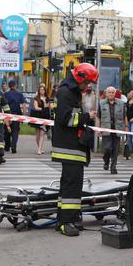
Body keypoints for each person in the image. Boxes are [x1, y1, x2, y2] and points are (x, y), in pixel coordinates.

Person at [52, 63, 99, 237]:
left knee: (69, 186)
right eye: (87, 82)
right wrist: (87, 116)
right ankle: (66, 222)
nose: (88, 86)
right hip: (69, 148)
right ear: (79, 77)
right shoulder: (66, 92)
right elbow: (65, 119)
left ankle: (64, 219)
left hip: (72, 147)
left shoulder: (71, 91)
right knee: (72, 186)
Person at [97, 86, 128, 175]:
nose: (111, 94)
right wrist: (99, 129)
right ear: (106, 94)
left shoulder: (121, 103)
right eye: (109, 92)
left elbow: (125, 116)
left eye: (112, 92)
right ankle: (106, 161)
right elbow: (98, 117)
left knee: (115, 149)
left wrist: (126, 126)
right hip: (106, 129)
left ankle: (113, 167)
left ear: (115, 94)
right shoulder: (101, 103)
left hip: (117, 129)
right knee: (107, 149)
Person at [3, 80, 27, 153]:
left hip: (8, 114)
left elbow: (3, 105)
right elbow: (23, 105)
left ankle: (7, 146)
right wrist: (24, 114)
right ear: (15, 85)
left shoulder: (5, 94)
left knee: (7, 131)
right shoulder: (19, 94)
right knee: (15, 131)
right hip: (16, 114)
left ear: (9, 86)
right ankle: (13, 146)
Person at [32, 84, 51, 155]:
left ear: (45, 90)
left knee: (42, 133)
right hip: (37, 116)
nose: (42, 91)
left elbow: (47, 106)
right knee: (37, 135)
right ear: (39, 90)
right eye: (40, 90)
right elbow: (36, 107)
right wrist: (42, 108)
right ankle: (39, 148)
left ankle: (39, 149)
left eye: (43, 89)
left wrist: (44, 102)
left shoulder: (47, 98)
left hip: (45, 117)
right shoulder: (36, 98)